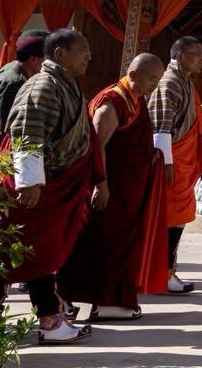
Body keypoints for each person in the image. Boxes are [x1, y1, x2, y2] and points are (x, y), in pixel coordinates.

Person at [0, 29, 98, 344]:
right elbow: (27, 133)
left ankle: (51, 321)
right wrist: (29, 183)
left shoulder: (65, 84)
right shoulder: (43, 86)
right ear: (59, 54)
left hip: (51, 185)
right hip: (32, 189)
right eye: (82, 50)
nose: (89, 56)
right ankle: (49, 321)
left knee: (41, 254)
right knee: (13, 253)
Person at [59, 53, 167, 321]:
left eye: (157, 81)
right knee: (103, 243)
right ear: (133, 74)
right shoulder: (112, 102)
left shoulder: (134, 99)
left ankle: (102, 300)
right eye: (152, 80)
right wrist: (101, 185)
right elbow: (97, 145)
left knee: (115, 244)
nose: (154, 86)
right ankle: (104, 302)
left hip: (127, 190)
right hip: (110, 189)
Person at [151, 36, 202, 294]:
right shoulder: (169, 83)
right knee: (169, 219)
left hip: (182, 161)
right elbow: (161, 128)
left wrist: (201, 158)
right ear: (180, 56)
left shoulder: (185, 82)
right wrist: (167, 163)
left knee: (176, 219)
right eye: (197, 54)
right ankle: (163, 273)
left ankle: (166, 271)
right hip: (171, 163)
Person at [0, 30, 47, 135]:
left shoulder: (11, 67)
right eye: (46, 60)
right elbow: (4, 129)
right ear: (33, 59)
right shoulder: (15, 83)